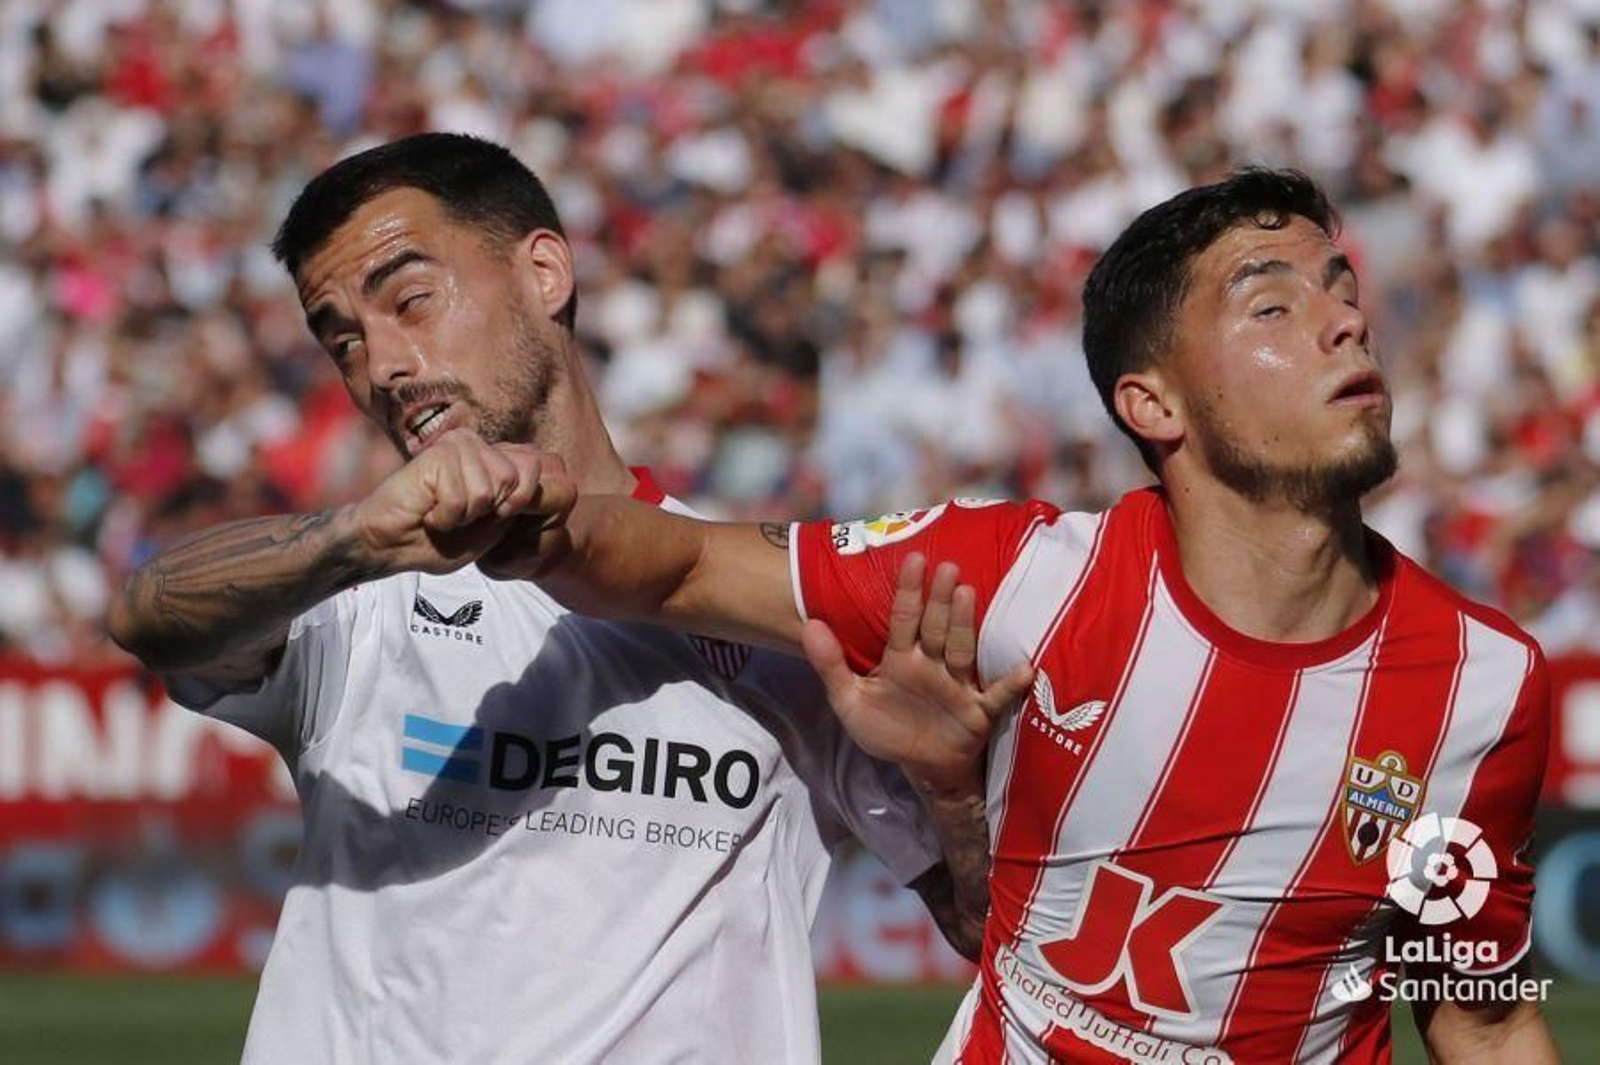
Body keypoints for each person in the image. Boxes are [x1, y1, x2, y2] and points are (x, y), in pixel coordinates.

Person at [529, 169, 1559, 1062]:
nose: (1346, 320)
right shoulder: (1019, 578)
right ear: (1152, 406)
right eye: (1271, 308)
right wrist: (492, 507)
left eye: (1341, 292)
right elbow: (676, 566)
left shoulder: (1484, 686)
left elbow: (1484, 1021)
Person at [106, 132, 1004, 1064]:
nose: (383, 367)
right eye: (344, 342)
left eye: (410, 300)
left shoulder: (763, 605)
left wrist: (949, 791)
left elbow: (985, 931)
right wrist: (355, 541)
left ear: (544, 273)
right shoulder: (364, 586)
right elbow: (149, 614)